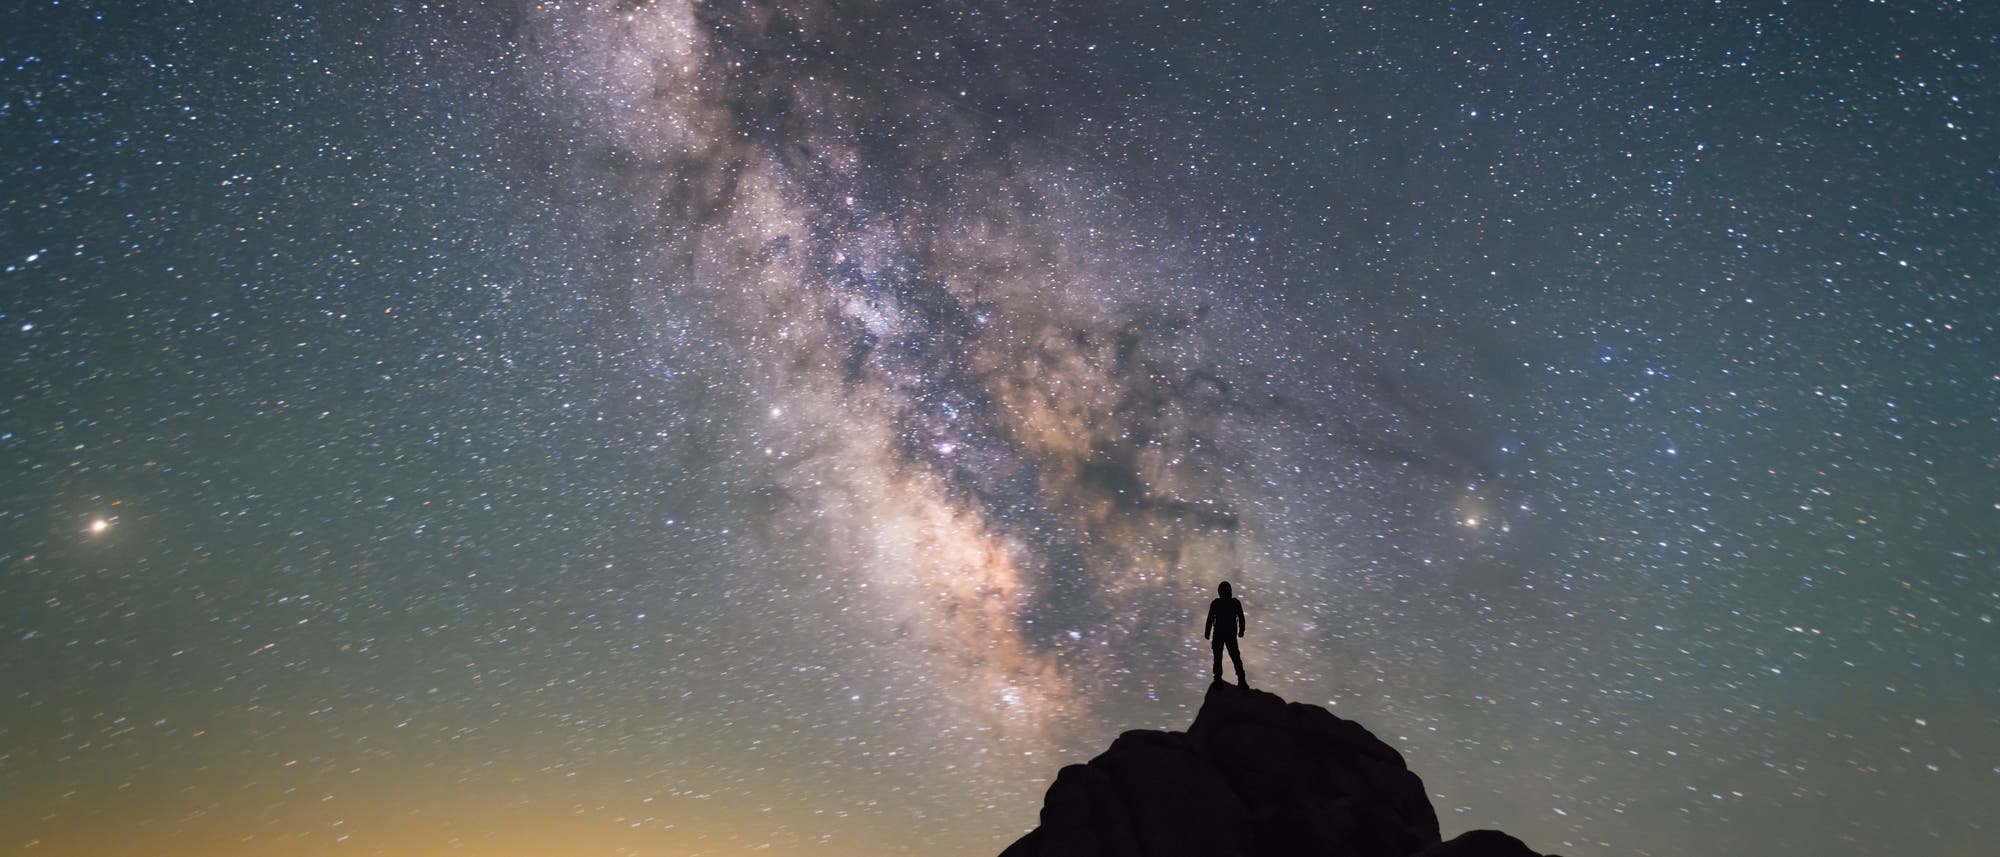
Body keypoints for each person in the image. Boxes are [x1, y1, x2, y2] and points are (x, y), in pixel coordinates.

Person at [1203, 581, 1247, 686]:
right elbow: (1241, 618)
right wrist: (1241, 631)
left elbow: (1210, 619)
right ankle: (1240, 680)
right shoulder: (1234, 603)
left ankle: (1220, 679)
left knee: (1222, 657)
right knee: (1233, 656)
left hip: (1220, 633)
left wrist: (1207, 632)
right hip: (1228, 633)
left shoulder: (1216, 603)